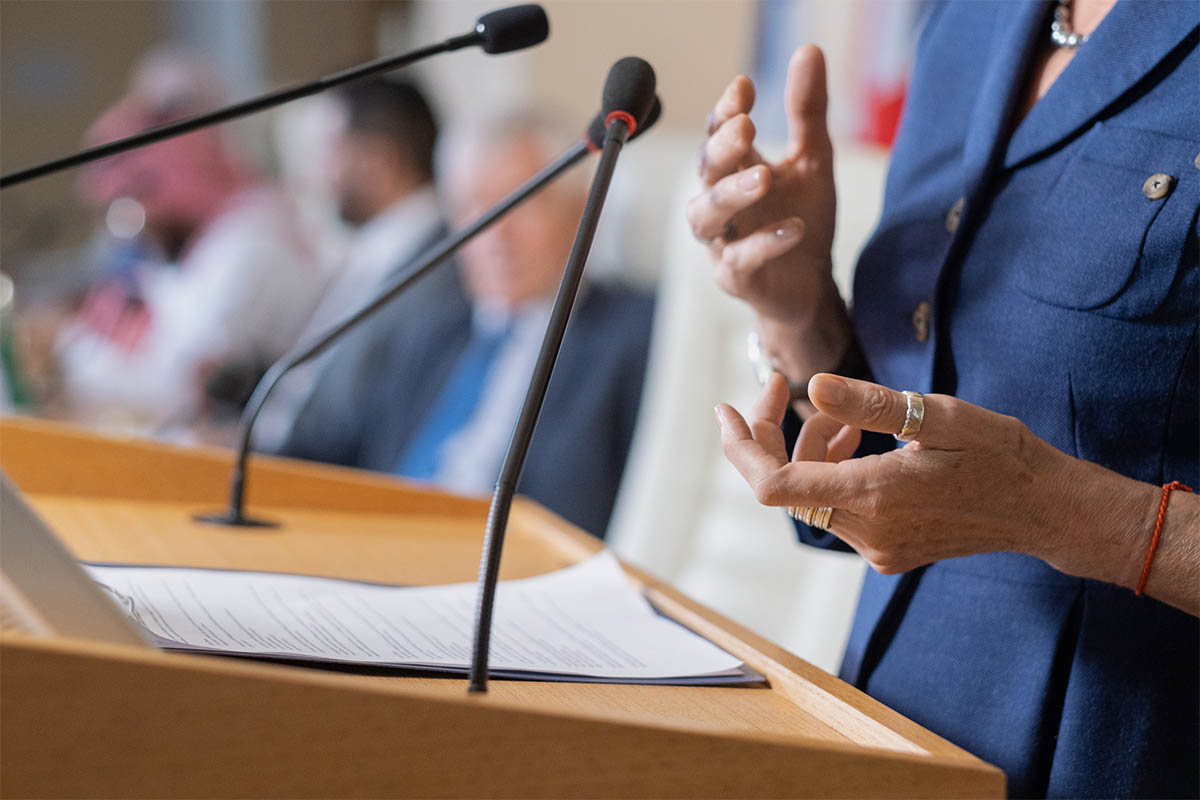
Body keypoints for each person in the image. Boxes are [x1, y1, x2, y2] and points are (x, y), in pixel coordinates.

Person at [690, 1, 1197, 796]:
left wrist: (1065, 512)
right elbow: (931, 432)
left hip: (1128, 751)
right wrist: (800, 310)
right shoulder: (967, 18)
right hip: (888, 720)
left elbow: (1013, 482)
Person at [282, 116, 655, 537]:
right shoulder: (431, 331)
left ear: (582, 214)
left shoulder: (635, 334)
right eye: (475, 205)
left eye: (524, 202)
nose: (497, 234)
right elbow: (341, 453)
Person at [52, 50, 328, 440]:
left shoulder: (252, 239)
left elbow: (177, 379)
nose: (129, 225)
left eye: (134, 202)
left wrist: (62, 358)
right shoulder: (192, 242)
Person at [251, 78, 452, 451]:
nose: (314, 175)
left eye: (327, 151)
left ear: (378, 161)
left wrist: (251, 451)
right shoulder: (375, 250)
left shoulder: (437, 273)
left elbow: (358, 423)